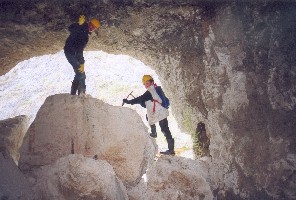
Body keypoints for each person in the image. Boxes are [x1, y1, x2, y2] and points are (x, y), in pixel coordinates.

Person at [123, 75, 175, 155]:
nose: (146, 85)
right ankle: (156, 134)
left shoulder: (151, 91)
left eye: (147, 83)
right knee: (151, 119)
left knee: (164, 129)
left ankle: (169, 149)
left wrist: (129, 102)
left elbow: (140, 99)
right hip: (161, 111)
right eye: (145, 84)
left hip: (160, 112)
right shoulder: (157, 89)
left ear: (151, 82)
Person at [64, 15, 100, 95]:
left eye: (94, 28)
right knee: (81, 74)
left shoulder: (82, 27)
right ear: (89, 22)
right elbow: (79, 49)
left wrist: (78, 24)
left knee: (79, 73)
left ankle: (74, 94)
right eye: (92, 25)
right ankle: (81, 93)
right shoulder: (83, 32)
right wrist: (82, 62)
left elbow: (71, 28)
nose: (92, 28)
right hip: (71, 53)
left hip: (70, 51)